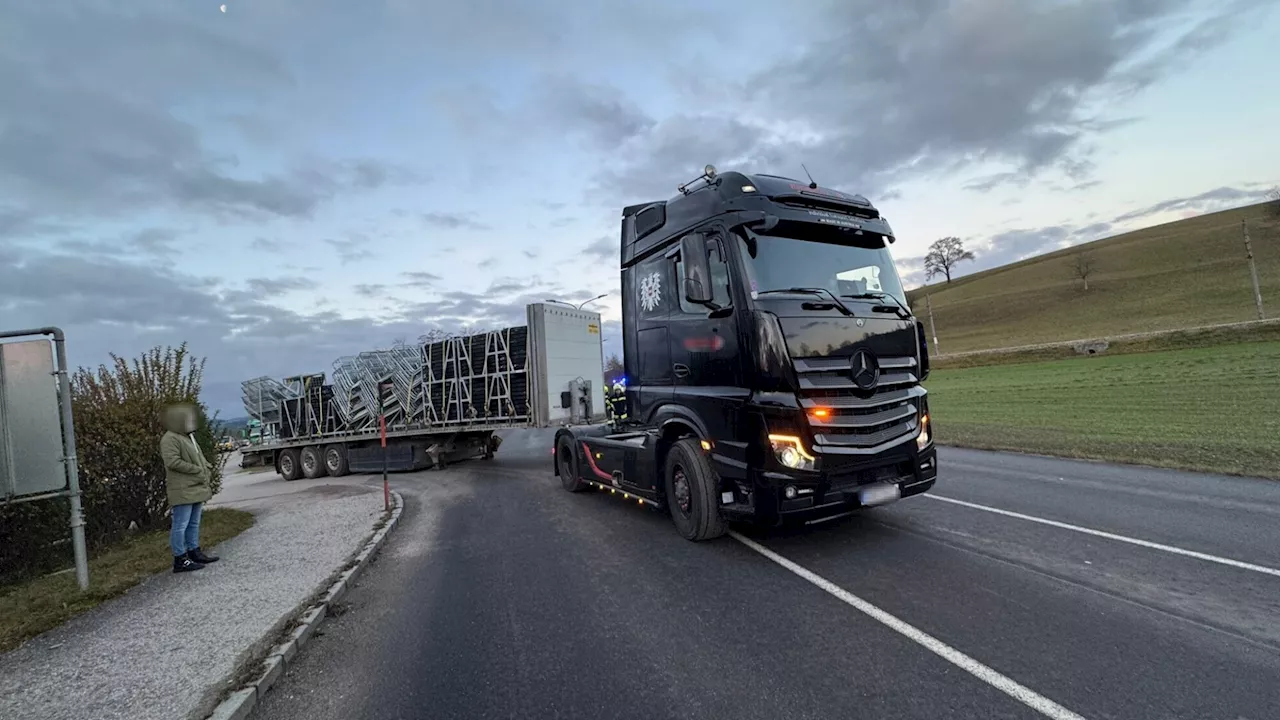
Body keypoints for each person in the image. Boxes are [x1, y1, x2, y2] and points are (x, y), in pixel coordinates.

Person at [160, 404, 220, 573]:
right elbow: (172, 461)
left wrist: (206, 467)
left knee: (194, 522)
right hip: (182, 488)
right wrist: (196, 470)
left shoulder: (188, 437)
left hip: (195, 486)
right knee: (181, 524)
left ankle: (194, 551)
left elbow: (198, 457)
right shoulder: (170, 438)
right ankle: (180, 558)